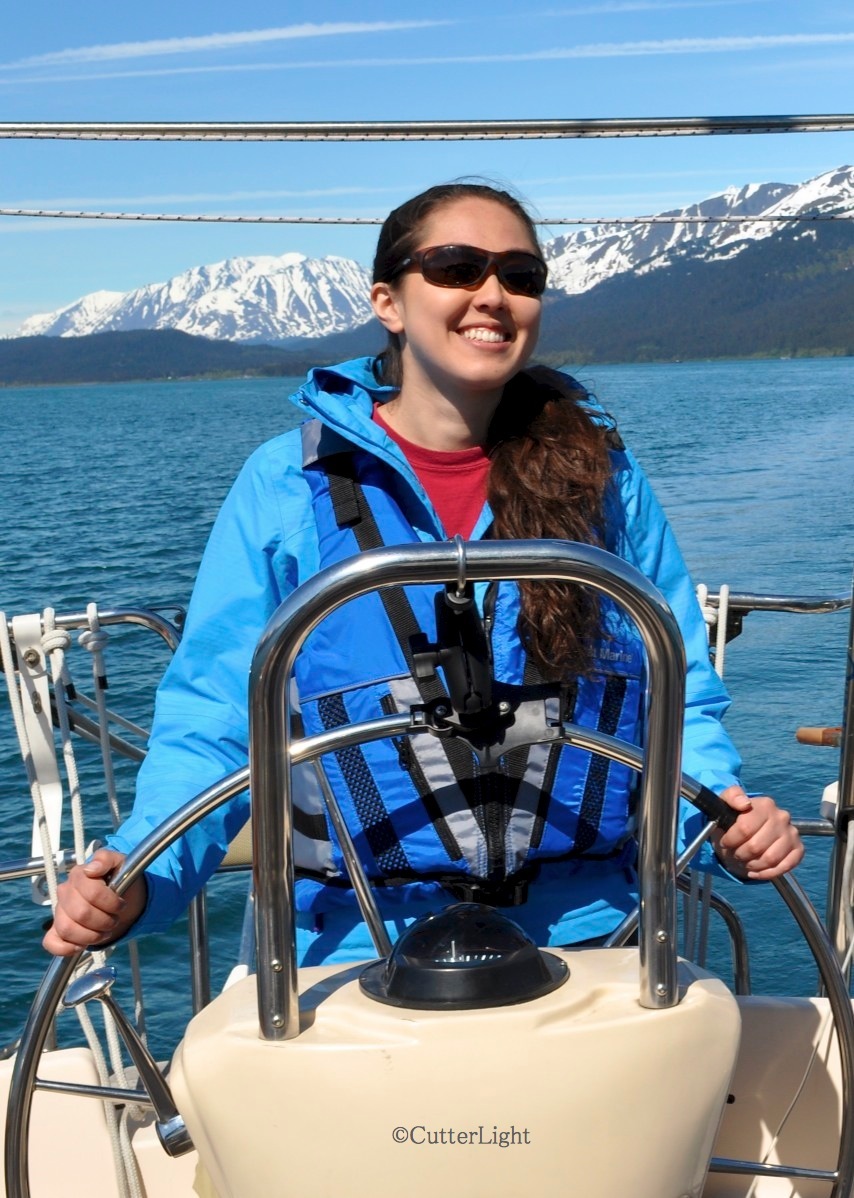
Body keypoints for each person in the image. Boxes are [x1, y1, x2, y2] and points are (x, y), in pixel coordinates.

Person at [44, 181, 803, 961]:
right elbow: (212, 721)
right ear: (389, 301)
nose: (493, 295)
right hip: (357, 942)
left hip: (597, 936)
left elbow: (676, 699)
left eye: (521, 275)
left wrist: (720, 824)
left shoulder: (604, 480)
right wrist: (142, 875)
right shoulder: (284, 488)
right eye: (457, 267)